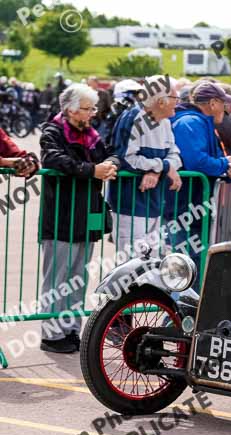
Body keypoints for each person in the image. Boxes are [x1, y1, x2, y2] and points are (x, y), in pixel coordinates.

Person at [38, 83, 121, 353]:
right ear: (71, 110)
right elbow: (54, 160)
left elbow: (111, 153)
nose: (92, 114)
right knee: (57, 278)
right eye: (87, 109)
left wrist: (111, 165)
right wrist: (92, 170)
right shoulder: (52, 131)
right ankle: (52, 334)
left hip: (87, 216)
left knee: (77, 278)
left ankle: (72, 329)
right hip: (61, 216)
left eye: (93, 108)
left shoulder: (92, 134)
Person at [170, 82, 231, 281]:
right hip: (183, 207)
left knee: (193, 263)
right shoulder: (190, 123)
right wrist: (223, 165)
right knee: (183, 267)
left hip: (195, 208)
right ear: (212, 103)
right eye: (224, 103)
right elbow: (196, 161)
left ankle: (189, 308)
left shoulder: (202, 123)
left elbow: (216, 159)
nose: (227, 108)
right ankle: (180, 309)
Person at [110, 75, 182, 258]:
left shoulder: (165, 122)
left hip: (156, 203)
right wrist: (162, 167)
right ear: (161, 101)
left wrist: (156, 171)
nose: (178, 102)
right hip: (131, 204)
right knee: (132, 267)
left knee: (153, 265)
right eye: (175, 98)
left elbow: (175, 156)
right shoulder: (133, 118)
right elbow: (126, 158)